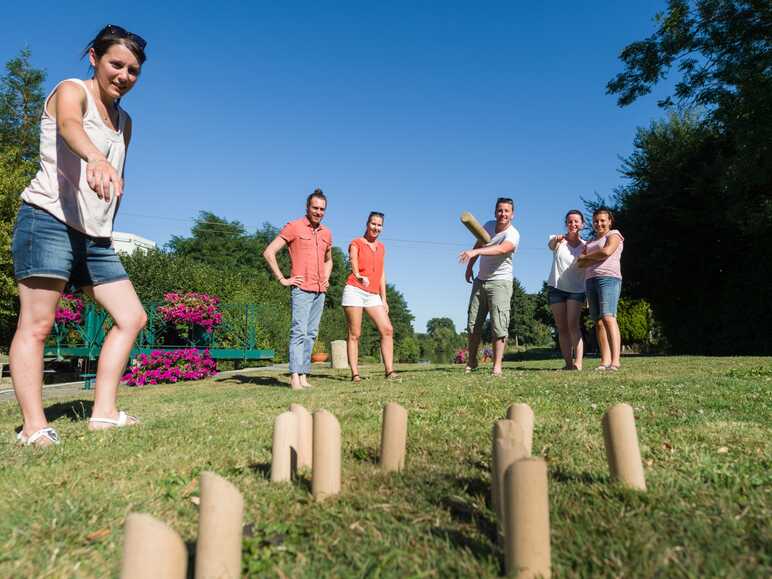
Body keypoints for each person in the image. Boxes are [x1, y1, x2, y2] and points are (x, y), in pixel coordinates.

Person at [10, 25, 149, 446]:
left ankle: (104, 413)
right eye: (116, 64)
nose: (124, 75)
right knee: (37, 324)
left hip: (94, 236)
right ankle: (33, 427)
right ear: (94, 57)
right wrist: (94, 158)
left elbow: (118, 178)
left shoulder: (125, 121)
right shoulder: (72, 91)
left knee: (132, 317)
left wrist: (108, 218)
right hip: (48, 218)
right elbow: (71, 126)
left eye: (133, 70)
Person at [263, 190, 333, 389]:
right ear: (307, 207)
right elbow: (269, 252)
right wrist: (282, 279)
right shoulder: (294, 227)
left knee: (311, 333)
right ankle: (294, 376)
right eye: (315, 208)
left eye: (322, 209)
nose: (318, 212)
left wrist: (326, 278)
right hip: (301, 289)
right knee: (299, 332)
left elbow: (329, 260)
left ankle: (303, 375)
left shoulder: (327, 233)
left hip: (320, 291)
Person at [458, 197, 520, 376]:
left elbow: (501, 249)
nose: (503, 214)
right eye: (500, 210)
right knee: (472, 325)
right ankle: (471, 362)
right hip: (480, 281)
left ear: (512, 214)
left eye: (507, 211)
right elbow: (479, 242)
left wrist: (475, 252)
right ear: (495, 212)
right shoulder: (488, 225)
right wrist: (470, 265)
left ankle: (497, 366)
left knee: (498, 326)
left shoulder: (513, 234)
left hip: (500, 283)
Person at [342, 212, 397, 382]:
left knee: (387, 329)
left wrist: (384, 299)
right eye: (373, 224)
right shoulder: (356, 243)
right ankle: (355, 374)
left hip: (373, 294)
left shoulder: (381, 248)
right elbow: (353, 262)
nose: (376, 228)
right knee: (355, 333)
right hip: (355, 290)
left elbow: (381, 274)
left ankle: (389, 371)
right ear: (367, 224)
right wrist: (358, 275)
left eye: (379, 225)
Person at [576, 208, 624, 370]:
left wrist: (588, 257)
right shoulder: (590, 242)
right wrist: (592, 257)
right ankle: (605, 361)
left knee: (608, 317)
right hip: (590, 280)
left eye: (603, 220)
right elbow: (580, 263)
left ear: (610, 221)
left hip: (609, 278)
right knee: (598, 322)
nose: (599, 224)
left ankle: (615, 361)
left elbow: (607, 251)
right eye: (596, 221)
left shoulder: (614, 235)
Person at [546, 210, 586, 370]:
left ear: (582, 224)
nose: (573, 224)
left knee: (573, 325)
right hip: (556, 288)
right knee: (561, 327)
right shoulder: (558, 241)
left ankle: (579, 363)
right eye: (570, 221)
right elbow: (550, 246)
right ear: (566, 224)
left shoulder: (586, 245)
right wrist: (556, 240)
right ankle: (568, 364)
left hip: (576, 290)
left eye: (576, 221)